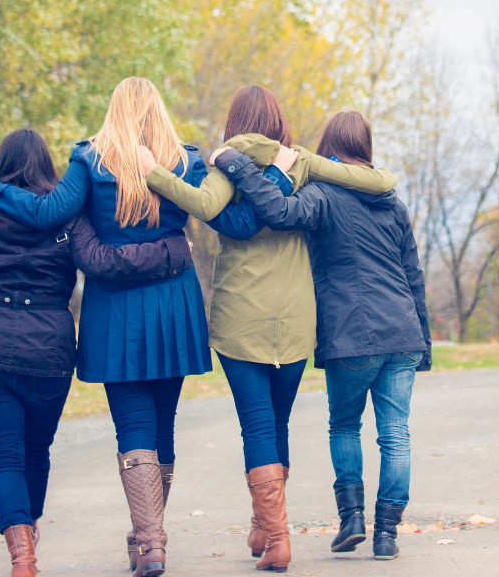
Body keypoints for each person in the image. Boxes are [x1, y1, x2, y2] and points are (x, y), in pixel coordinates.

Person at [0, 77, 272, 576]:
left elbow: (47, 213)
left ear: (113, 110)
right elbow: (221, 214)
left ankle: (151, 542)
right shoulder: (188, 161)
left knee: (133, 426)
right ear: (158, 111)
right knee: (163, 424)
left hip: (116, 311)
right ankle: (148, 540)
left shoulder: (90, 160)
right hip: (174, 303)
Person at [137, 86, 398, 573]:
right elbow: (378, 182)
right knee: (277, 423)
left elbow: (202, 205)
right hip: (298, 315)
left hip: (241, 315)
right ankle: (266, 525)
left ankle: (276, 537)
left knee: (256, 424)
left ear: (235, 122)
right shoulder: (301, 163)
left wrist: (148, 169)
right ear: (279, 123)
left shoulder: (223, 166)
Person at [0, 128, 193, 577]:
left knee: (3, 457)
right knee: (35, 451)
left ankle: (24, 557)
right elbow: (104, 262)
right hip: (48, 351)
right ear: (48, 168)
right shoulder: (67, 219)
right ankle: (31, 541)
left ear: (0, 165)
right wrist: (172, 250)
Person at [210, 111, 431, 561]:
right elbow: (413, 275)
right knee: (397, 435)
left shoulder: (322, 195)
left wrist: (235, 165)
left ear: (329, 150)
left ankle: (351, 519)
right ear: (366, 150)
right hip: (404, 332)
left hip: (352, 334)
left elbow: (275, 210)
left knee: (345, 425)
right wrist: (422, 342)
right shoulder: (392, 202)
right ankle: (387, 533)